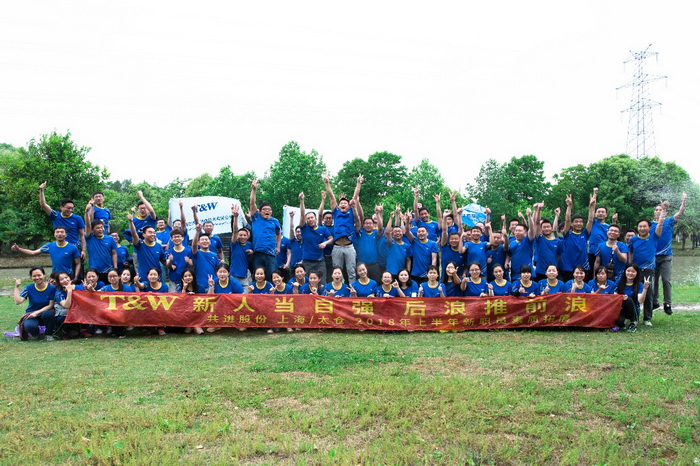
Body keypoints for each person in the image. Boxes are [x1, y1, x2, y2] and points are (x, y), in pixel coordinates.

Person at [652, 192, 688, 315]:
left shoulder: (669, 221)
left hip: (666, 256)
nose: (658, 211)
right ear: (654, 212)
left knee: (666, 280)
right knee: (653, 281)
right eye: (656, 210)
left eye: (660, 209)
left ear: (665, 212)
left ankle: (667, 304)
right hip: (653, 257)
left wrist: (684, 200)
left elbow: (680, 212)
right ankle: (654, 302)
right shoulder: (649, 225)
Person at [323, 174, 361, 282]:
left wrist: (358, 183)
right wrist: (327, 182)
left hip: (349, 246)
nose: (343, 204)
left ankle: (352, 289)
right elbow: (331, 197)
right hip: (337, 247)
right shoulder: (336, 212)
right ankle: (338, 288)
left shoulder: (351, 212)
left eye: (345, 203)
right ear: (338, 206)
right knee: (337, 271)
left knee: (351, 270)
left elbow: (355, 197)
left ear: (348, 205)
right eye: (341, 203)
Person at [628, 215, 664, 326]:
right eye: (640, 226)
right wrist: (629, 267)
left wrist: (662, 213)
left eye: (644, 226)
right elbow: (630, 254)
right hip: (635, 270)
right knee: (633, 293)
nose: (642, 228)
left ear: (649, 227)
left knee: (648, 294)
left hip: (648, 270)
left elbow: (660, 225)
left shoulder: (654, 237)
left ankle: (647, 318)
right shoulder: (633, 239)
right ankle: (633, 316)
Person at [11, 227, 81, 281]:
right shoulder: (49, 246)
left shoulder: (72, 247)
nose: (60, 234)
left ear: (66, 235)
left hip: (68, 275)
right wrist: (19, 249)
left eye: (62, 232)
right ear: (54, 234)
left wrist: (76, 276)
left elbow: (78, 263)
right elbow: (33, 252)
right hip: (54, 275)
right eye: (57, 232)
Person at [38, 182, 86, 255]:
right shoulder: (55, 216)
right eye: (68, 208)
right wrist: (41, 191)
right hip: (61, 248)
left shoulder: (77, 218)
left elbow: (82, 235)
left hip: (75, 247)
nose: (70, 210)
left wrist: (83, 250)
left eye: (72, 208)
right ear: (61, 207)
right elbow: (43, 205)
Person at [248, 178, 282, 278]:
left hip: (271, 253)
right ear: (259, 211)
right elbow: (252, 203)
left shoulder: (275, 221)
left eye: (269, 210)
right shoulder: (256, 217)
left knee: (273, 276)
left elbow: (278, 234)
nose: (267, 211)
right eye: (264, 209)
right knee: (258, 277)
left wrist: (278, 247)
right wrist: (254, 190)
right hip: (257, 253)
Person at [298, 192, 334, 283]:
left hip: (320, 261)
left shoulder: (323, 229)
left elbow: (331, 239)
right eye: (308, 218)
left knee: (322, 283)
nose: (310, 219)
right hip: (307, 261)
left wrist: (325, 243)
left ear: (316, 218)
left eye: (312, 217)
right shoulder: (304, 228)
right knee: (307, 283)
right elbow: (302, 214)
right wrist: (302, 200)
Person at [560, 191, 595, 282]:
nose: (579, 223)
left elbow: (590, 220)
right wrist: (569, 206)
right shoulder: (567, 234)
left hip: (582, 268)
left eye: (581, 222)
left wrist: (591, 206)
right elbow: (567, 219)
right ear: (572, 224)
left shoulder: (585, 234)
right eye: (576, 221)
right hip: (568, 268)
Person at [14, 266, 57, 341]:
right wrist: (17, 287)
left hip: (45, 313)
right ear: (31, 277)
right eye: (34, 276)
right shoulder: (29, 288)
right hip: (32, 314)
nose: (37, 278)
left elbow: (50, 305)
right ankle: (36, 335)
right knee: (29, 326)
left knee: (49, 314)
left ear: (44, 275)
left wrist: (37, 312)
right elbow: (18, 301)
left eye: (39, 275)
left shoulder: (51, 288)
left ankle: (49, 334)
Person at [85, 199, 118, 283]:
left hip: (108, 270)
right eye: (97, 228)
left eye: (101, 227)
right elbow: (88, 225)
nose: (100, 229)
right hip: (94, 270)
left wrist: (115, 268)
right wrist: (86, 212)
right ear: (92, 230)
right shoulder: (90, 237)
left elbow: (114, 254)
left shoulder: (110, 238)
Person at [354, 194, 385, 283]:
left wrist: (378, 213)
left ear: (373, 224)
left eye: (370, 223)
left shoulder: (376, 233)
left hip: (374, 265)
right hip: (361, 266)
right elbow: (360, 216)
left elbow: (380, 227)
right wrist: (357, 203)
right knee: (361, 285)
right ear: (363, 225)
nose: (368, 225)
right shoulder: (360, 233)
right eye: (366, 223)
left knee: (375, 284)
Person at [128, 214, 166, 285]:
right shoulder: (139, 244)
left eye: (154, 233)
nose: (153, 234)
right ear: (143, 235)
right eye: (150, 232)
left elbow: (164, 261)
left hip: (156, 277)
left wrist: (172, 263)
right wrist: (130, 221)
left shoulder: (158, 246)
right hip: (143, 277)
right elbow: (134, 234)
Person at [613, 263, 649, 333]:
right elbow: (614, 296)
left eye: (633, 271)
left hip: (633, 309)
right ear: (625, 271)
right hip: (621, 308)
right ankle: (622, 321)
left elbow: (640, 301)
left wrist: (645, 289)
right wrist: (620, 297)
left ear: (637, 273)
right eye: (628, 271)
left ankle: (633, 322)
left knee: (628, 299)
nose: (630, 273)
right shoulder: (618, 282)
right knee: (620, 323)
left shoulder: (639, 285)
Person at [134, 268, 168, 336]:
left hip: (160, 307)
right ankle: (149, 327)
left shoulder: (164, 286)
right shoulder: (146, 284)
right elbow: (140, 286)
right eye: (151, 274)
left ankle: (160, 328)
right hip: (148, 308)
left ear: (158, 276)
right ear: (147, 276)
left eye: (155, 275)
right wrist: (137, 281)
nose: (153, 276)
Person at [532, 204, 561, 282]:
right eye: (544, 227)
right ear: (541, 229)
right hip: (540, 271)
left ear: (551, 228)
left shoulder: (557, 241)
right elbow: (536, 224)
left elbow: (558, 256)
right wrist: (539, 210)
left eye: (548, 227)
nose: (546, 229)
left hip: (553, 272)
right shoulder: (539, 238)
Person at [505, 208, 536, 281]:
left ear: (526, 232)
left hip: (527, 273)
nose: (517, 232)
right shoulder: (512, 243)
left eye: (519, 231)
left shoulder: (528, 240)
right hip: (515, 274)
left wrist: (529, 216)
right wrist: (506, 262)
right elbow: (509, 255)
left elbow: (532, 229)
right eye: (516, 231)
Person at [191, 221, 219, 294]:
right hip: (200, 284)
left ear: (210, 242)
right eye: (202, 240)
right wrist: (197, 232)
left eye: (206, 239)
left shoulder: (214, 255)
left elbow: (217, 269)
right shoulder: (197, 253)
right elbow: (194, 245)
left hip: (213, 284)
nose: (204, 241)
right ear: (198, 243)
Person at [384, 209, 412, 277]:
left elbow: (408, 260)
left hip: (402, 274)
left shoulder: (406, 246)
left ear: (402, 233)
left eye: (399, 231)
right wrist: (391, 218)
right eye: (395, 232)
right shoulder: (391, 243)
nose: (397, 233)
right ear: (392, 234)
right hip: (390, 273)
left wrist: (408, 272)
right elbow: (387, 232)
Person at [230, 205, 253, 286]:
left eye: (244, 235)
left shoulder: (250, 244)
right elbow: (235, 230)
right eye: (240, 235)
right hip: (233, 275)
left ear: (247, 236)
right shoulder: (234, 243)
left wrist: (252, 252)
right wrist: (235, 217)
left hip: (245, 276)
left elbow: (251, 258)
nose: (242, 237)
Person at [179, 268, 203, 335]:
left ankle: (195, 325)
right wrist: (184, 289)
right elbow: (180, 300)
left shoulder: (199, 287)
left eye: (190, 275)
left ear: (193, 276)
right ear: (182, 278)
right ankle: (193, 325)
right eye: (185, 276)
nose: (188, 278)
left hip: (197, 309)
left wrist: (194, 297)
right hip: (185, 310)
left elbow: (204, 299)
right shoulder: (179, 287)